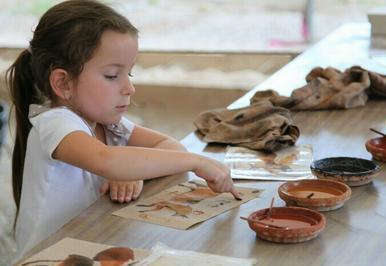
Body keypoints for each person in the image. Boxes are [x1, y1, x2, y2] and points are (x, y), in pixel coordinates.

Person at [7, 0, 241, 260]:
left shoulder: (106, 122)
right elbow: (106, 161)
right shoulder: (55, 122)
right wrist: (197, 162)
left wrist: (133, 172)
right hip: (49, 257)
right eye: (111, 76)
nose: (129, 88)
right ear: (63, 83)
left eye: (130, 73)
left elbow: (171, 146)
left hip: (92, 245)